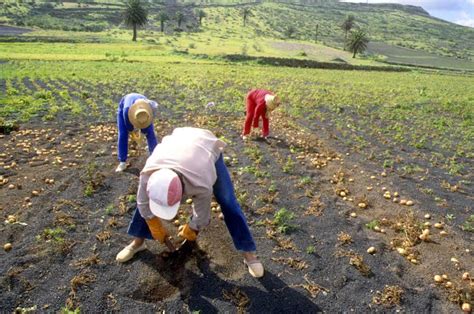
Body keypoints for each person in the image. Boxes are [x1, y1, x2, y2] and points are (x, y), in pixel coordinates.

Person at [116, 127, 264, 278]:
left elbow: (202, 214)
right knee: (148, 204)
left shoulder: (201, 182)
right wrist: (153, 224)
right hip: (178, 141)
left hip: (205, 146)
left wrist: (193, 228)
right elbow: (143, 202)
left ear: (183, 193)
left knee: (228, 201)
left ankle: (249, 254)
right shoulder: (149, 174)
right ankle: (138, 242)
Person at [115, 93, 159, 172]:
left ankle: (154, 156)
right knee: (123, 134)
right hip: (123, 109)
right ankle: (122, 162)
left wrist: (142, 135)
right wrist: (134, 136)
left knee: (150, 132)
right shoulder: (126, 110)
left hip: (144, 113)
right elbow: (129, 128)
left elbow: (147, 124)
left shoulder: (149, 107)